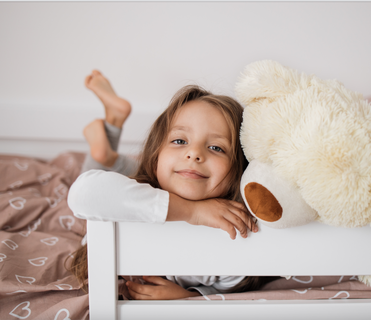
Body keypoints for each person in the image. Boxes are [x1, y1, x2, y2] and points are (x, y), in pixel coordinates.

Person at [67, 70, 278, 300]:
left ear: (239, 169)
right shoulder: (131, 198)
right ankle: (106, 152)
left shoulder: (235, 233)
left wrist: (188, 297)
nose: (194, 153)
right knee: (112, 177)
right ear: (156, 153)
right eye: (179, 141)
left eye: (216, 148)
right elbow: (84, 193)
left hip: (166, 179)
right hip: (140, 187)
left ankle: (108, 152)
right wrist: (192, 211)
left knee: (133, 173)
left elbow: (231, 288)